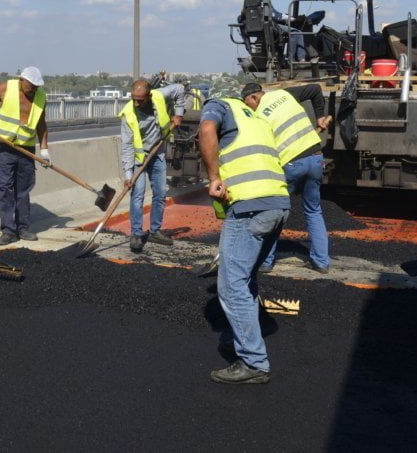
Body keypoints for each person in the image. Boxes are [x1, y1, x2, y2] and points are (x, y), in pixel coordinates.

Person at [199, 89, 290, 384]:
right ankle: (239, 335)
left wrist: (214, 177)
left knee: (230, 285)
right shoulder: (258, 119)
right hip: (278, 204)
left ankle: (253, 362)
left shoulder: (218, 105)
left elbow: (206, 129)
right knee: (246, 278)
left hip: (249, 208)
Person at [242, 82, 333, 273]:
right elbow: (316, 89)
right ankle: (322, 262)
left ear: (253, 97)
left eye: (247, 103)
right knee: (314, 210)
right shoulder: (285, 94)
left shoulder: (258, 115)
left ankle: (266, 262)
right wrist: (320, 117)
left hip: (291, 164)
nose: (248, 107)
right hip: (316, 158)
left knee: (275, 211)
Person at [0, 67, 49, 246]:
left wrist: (44, 149)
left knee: (23, 190)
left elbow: (41, 125)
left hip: (26, 150)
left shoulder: (41, 97)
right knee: (4, 188)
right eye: (31, 85)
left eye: (37, 86)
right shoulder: (6, 88)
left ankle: (23, 228)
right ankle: (8, 230)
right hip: (5, 148)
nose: (34, 89)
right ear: (21, 80)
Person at [119, 78, 185, 252]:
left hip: (158, 153)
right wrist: (127, 175)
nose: (136, 103)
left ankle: (155, 231)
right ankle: (136, 233)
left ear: (148, 95)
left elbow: (179, 89)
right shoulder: (128, 114)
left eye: (140, 99)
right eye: (133, 98)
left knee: (160, 194)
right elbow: (126, 146)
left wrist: (178, 114)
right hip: (139, 159)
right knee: (138, 194)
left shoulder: (160, 96)